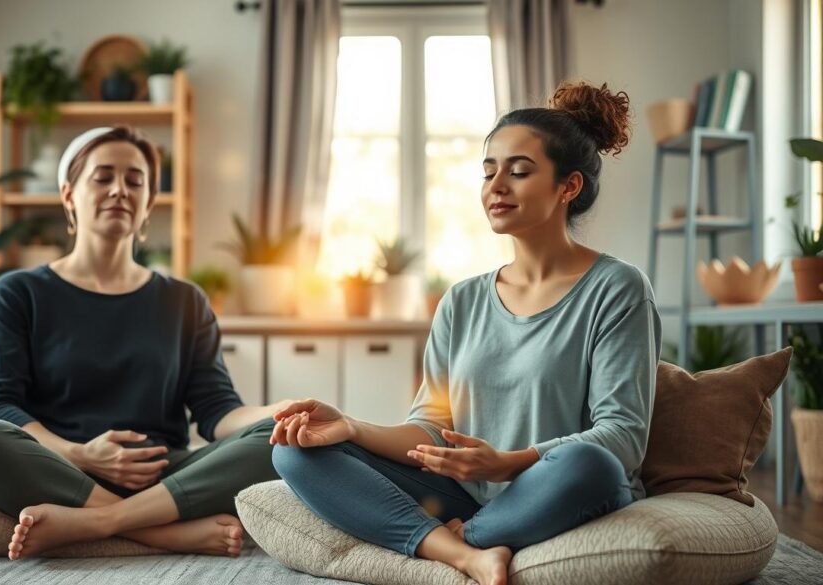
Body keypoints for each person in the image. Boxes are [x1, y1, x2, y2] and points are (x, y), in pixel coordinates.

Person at [270, 81, 662, 585]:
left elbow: (622, 437)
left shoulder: (618, 288)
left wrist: (506, 464)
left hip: (554, 485)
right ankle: (462, 552)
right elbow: (431, 429)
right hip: (460, 492)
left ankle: (461, 539)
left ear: (569, 187)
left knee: (592, 463)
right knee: (293, 451)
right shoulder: (462, 299)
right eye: (488, 171)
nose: (496, 186)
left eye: (519, 171)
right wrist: (350, 426)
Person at [0, 126, 287, 560]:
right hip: (62, 469)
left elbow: (217, 410)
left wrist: (279, 411)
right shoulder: (18, 293)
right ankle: (163, 534)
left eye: (135, 180)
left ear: (148, 202)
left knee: (275, 440)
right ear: (69, 193)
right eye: (103, 177)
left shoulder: (184, 300)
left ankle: (102, 523)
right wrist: (83, 455)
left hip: (168, 476)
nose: (119, 190)